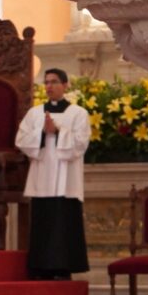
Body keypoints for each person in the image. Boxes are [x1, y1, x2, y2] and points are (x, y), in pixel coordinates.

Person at [16, 68, 91, 279]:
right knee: (43, 222)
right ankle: (40, 268)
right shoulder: (34, 113)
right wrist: (41, 132)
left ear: (65, 85)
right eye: (46, 82)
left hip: (67, 180)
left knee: (64, 223)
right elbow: (21, 140)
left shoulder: (78, 113)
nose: (49, 86)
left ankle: (63, 268)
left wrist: (58, 131)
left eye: (54, 82)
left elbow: (81, 144)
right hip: (42, 176)